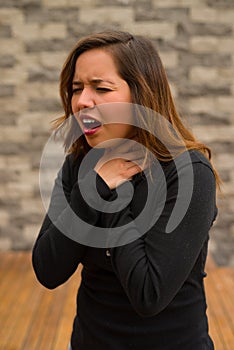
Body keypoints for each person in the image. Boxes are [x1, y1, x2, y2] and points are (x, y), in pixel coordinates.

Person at [32, 31, 220, 350]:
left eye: (101, 88)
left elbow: (149, 293)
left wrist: (113, 195)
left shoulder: (188, 173)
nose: (81, 101)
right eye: (76, 88)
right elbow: (48, 269)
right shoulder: (79, 165)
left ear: (141, 96)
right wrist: (95, 186)